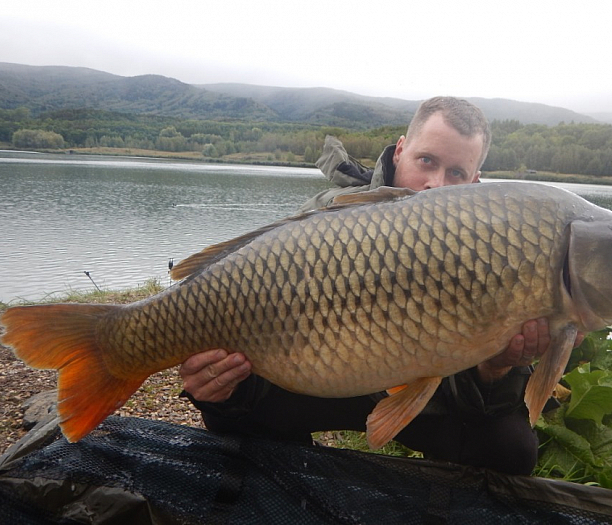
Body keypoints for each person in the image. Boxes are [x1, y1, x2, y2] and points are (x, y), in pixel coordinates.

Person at [179, 97, 578, 475]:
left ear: (475, 181)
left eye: (455, 173)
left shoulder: (493, 247)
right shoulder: (330, 215)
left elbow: (482, 400)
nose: (435, 184)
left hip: (420, 392)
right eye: (426, 161)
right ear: (400, 150)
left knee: (509, 448)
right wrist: (217, 390)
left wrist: (496, 367)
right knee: (227, 402)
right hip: (320, 377)